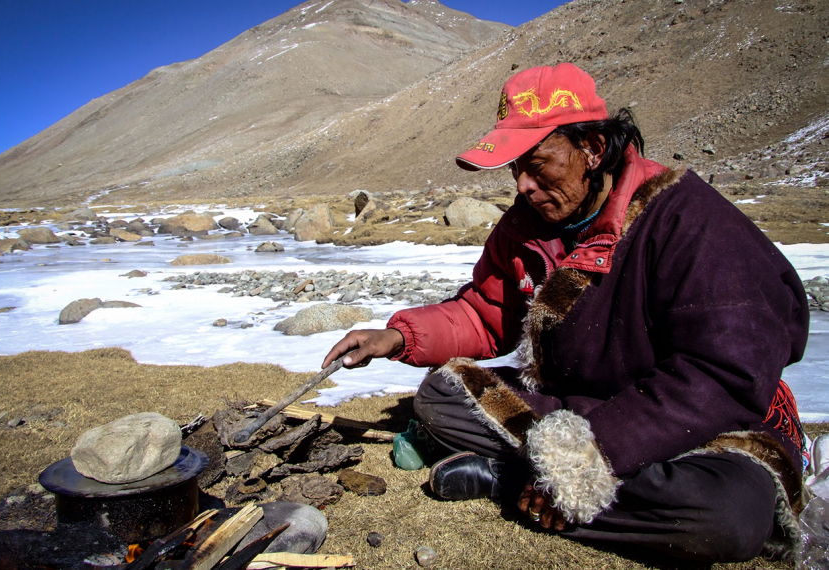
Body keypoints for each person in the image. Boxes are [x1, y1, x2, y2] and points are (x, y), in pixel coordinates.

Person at [322, 63, 810, 562]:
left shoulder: (692, 222)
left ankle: (510, 480)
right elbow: (488, 313)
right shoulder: (527, 227)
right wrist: (398, 338)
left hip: (698, 425)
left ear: (593, 149)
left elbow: (722, 375)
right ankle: (557, 486)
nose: (524, 186)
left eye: (537, 165)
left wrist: (589, 457)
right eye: (516, 169)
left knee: (727, 516)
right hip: (579, 406)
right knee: (444, 395)